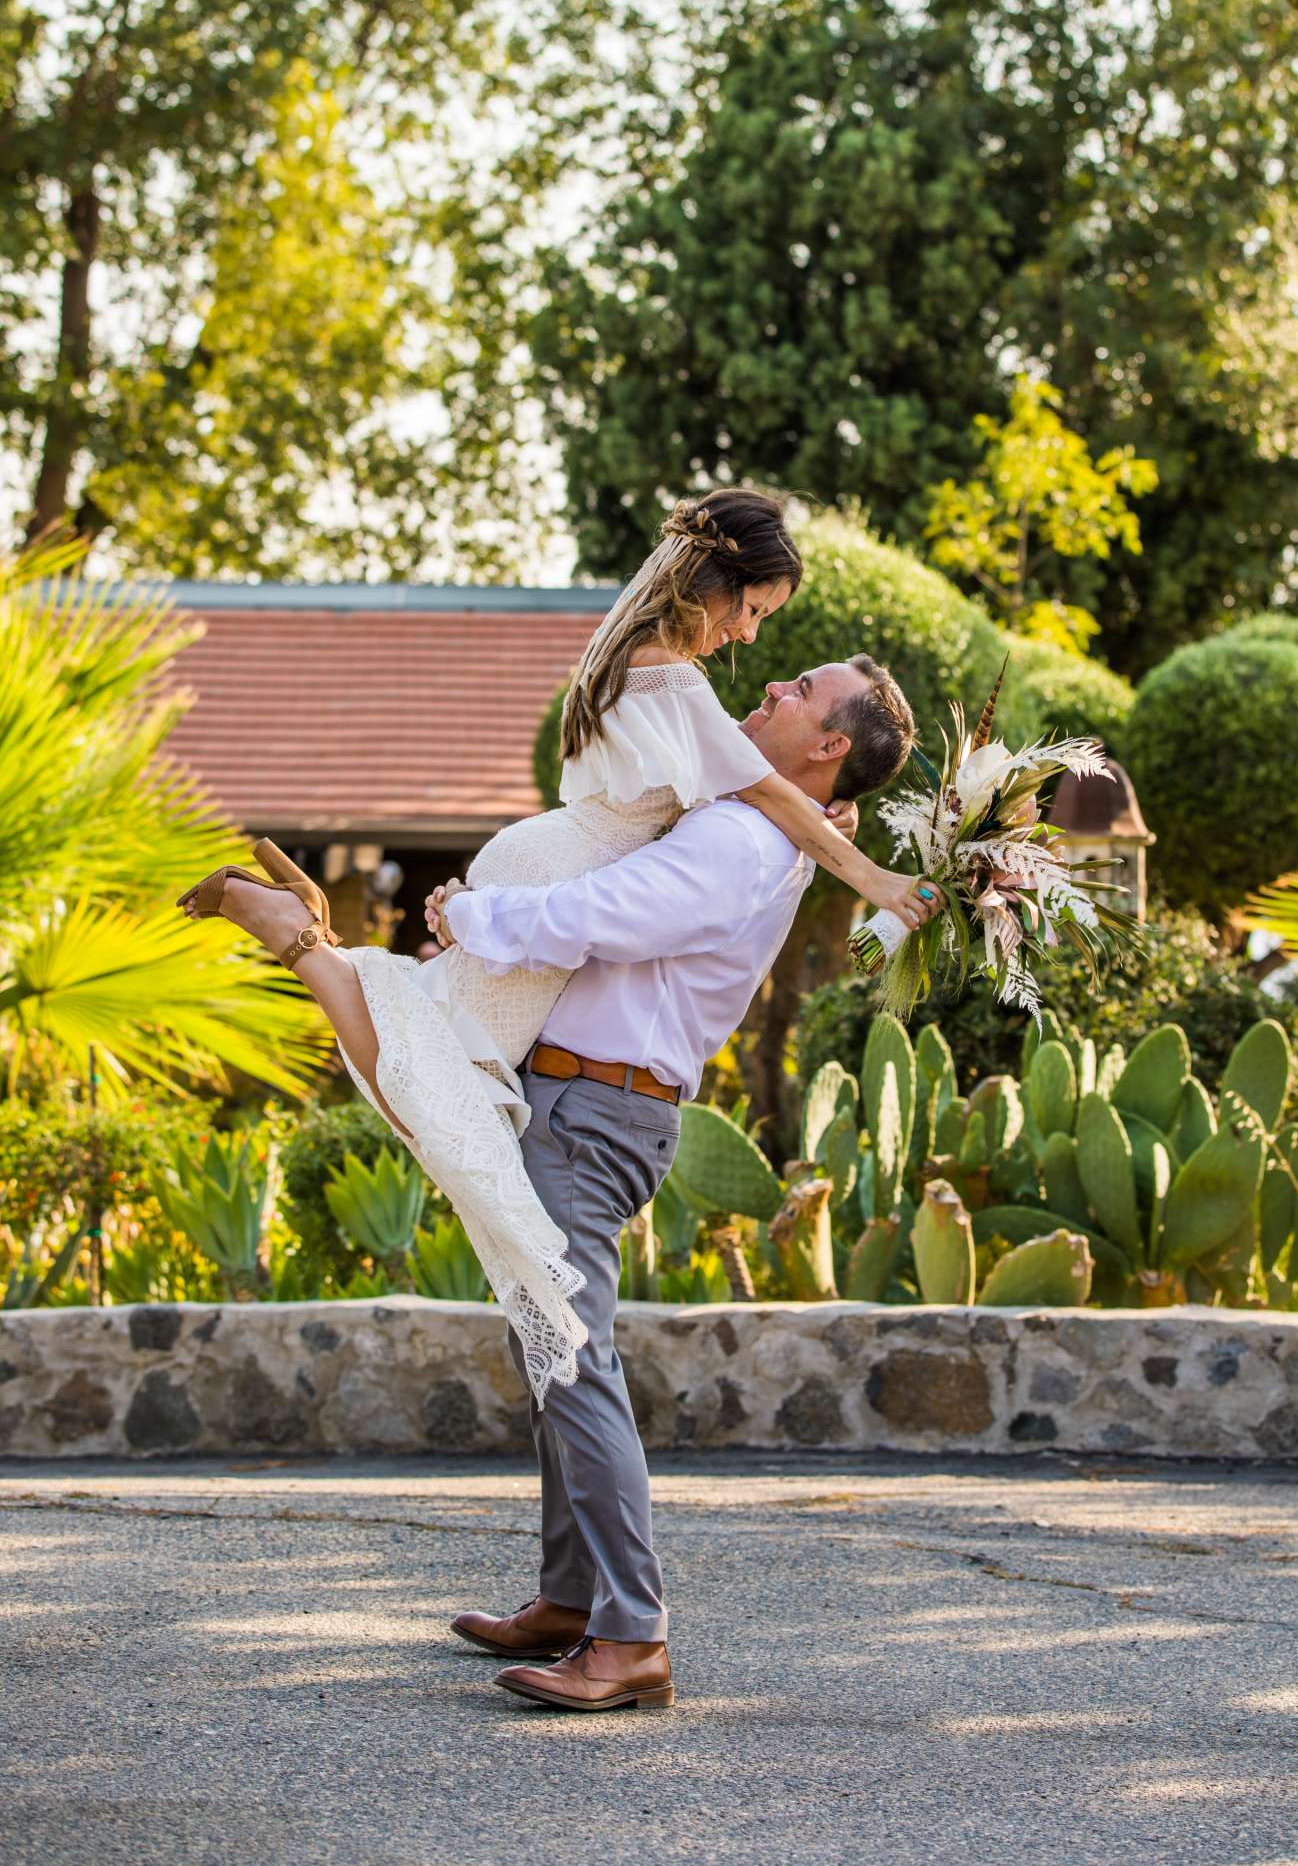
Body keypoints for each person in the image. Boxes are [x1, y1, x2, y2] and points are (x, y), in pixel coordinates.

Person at [177, 490, 940, 1401]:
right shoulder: (680, 680)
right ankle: (298, 938)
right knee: (436, 1093)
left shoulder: (633, 655)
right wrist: (877, 878)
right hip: (555, 881)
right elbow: (773, 798)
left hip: (545, 852)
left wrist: (830, 804)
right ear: (720, 584)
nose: (751, 639)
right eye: (754, 611)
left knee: (432, 1078)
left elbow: (754, 795)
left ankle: (303, 930)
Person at [436, 651, 920, 1713]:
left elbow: (614, 912)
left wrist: (470, 917)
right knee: (550, 1349)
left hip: (594, 1107)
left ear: (829, 747)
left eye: (798, 690)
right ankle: (572, 1597)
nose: (771, 688)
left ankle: (631, 1634)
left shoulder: (745, 834)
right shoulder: (756, 819)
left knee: (575, 1360)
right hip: (586, 1101)